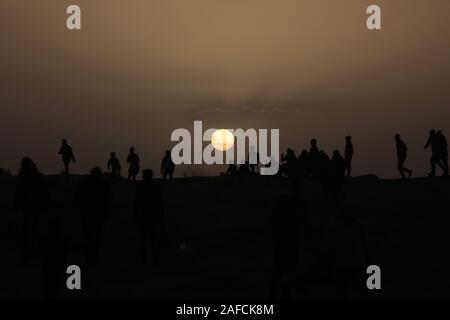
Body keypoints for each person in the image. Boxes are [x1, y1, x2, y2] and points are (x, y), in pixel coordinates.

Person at [14, 157, 49, 264]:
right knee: (30, 231)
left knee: (31, 231)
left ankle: (31, 253)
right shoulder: (32, 176)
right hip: (31, 208)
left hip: (32, 207)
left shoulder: (27, 176)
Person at [76, 167, 111, 265]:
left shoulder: (85, 184)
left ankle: (90, 255)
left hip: (89, 214)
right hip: (95, 214)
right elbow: (108, 199)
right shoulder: (102, 185)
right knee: (95, 235)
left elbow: (77, 196)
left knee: (89, 234)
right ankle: (92, 255)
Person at [135, 169, 165, 265]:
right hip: (151, 217)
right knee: (152, 240)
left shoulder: (141, 187)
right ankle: (153, 260)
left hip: (145, 216)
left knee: (144, 240)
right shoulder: (155, 187)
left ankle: (145, 260)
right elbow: (160, 203)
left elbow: (136, 203)